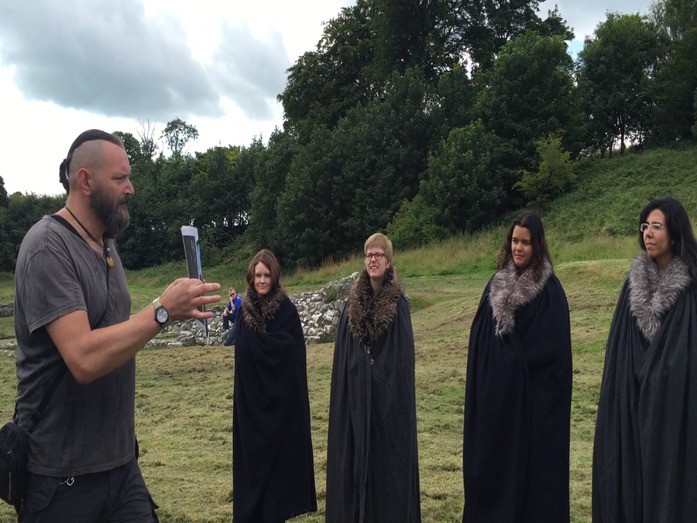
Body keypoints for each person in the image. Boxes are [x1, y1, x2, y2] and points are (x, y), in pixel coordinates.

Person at [13, 129, 221, 521]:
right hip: (60, 479)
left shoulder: (106, 244)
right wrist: (161, 311)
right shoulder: (47, 246)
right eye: (120, 178)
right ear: (86, 181)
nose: (131, 188)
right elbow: (84, 358)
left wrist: (169, 305)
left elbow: (116, 332)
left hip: (121, 467)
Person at [463, 211, 572, 522]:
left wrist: (507, 363)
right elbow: (480, 339)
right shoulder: (495, 285)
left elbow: (552, 355)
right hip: (496, 405)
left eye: (525, 242)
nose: (518, 248)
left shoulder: (549, 292)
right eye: (514, 241)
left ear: (537, 245)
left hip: (533, 411)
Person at [593, 197, 697, 522]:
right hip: (630, 400)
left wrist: (662, 377)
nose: (648, 234)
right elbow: (618, 349)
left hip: (675, 406)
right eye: (644, 226)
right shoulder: (632, 287)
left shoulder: (690, 290)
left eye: (656, 227)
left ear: (675, 235)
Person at [326, 233, 421, 523]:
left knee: (386, 469)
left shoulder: (398, 306)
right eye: (369, 255)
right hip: (355, 399)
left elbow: (400, 361)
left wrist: (376, 374)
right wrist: (359, 371)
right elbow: (344, 356)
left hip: (387, 405)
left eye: (379, 255)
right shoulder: (351, 306)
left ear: (389, 261)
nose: (373, 259)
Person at [232, 249, 316, 522]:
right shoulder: (244, 313)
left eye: (267, 275)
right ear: (251, 277)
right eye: (258, 275)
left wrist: (267, 350)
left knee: (278, 475)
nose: (262, 280)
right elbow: (243, 353)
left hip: (281, 408)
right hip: (252, 406)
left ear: (275, 277)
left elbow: (292, 353)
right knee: (253, 470)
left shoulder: (287, 311)